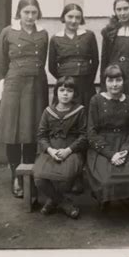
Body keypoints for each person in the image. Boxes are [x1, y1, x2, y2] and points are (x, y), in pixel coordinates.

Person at [0, 0, 49, 198]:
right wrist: (9, 80)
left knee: (31, 130)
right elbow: (1, 64)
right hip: (14, 84)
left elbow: (42, 61)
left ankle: (28, 175)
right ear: (19, 13)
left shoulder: (43, 34)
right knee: (12, 130)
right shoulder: (8, 33)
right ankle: (15, 176)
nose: (30, 16)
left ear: (38, 14)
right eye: (26, 12)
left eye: (33, 12)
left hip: (36, 85)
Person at [86, 65, 129, 216]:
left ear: (124, 81)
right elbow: (91, 132)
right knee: (106, 179)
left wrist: (125, 150)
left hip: (124, 143)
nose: (115, 84)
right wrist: (111, 154)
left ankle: (128, 200)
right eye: (110, 80)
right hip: (102, 146)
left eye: (118, 80)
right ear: (105, 82)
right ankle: (106, 200)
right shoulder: (96, 100)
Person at [33, 76, 87, 219]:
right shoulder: (48, 111)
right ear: (56, 92)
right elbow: (41, 136)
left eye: (69, 91)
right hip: (51, 151)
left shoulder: (80, 111)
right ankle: (63, 202)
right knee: (38, 178)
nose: (65, 94)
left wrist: (68, 150)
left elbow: (84, 136)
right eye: (61, 90)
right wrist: (50, 150)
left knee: (65, 177)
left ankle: (53, 201)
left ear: (74, 93)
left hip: (71, 151)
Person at [48, 3, 98, 109]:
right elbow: (51, 66)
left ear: (81, 19)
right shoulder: (55, 38)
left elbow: (95, 61)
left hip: (85, 83)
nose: (74, 21)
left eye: (77, 17)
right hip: (65, 84)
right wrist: (64, 78)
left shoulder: (89, 35)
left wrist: (88, 79)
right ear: (63, 17)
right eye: (70, 17)